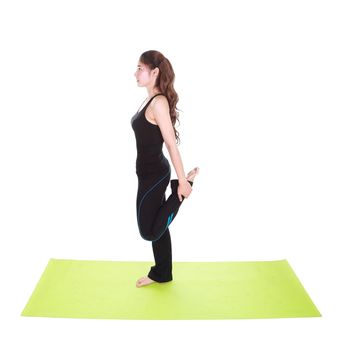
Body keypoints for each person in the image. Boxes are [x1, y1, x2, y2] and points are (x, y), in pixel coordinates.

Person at [131, 50, 199, 288]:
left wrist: (181, 181)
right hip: (147, 174)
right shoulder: (150, 100)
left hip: (156, 176)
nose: (136, 73)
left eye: (140, 68)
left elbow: (171, 144)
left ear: (155, 72)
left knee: (148, 232)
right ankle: (162, 272)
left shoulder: (158, 102)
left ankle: (181, 192)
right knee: (157, 225)